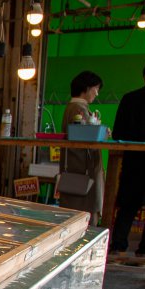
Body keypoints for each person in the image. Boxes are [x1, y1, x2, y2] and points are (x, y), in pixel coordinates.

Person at [109, 59, 145, 261]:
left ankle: (118, 249)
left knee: (128, 206)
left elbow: (117, 134)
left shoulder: (130, 99)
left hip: (135, 162)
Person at [58, 70, 104, 219]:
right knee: (84, 216)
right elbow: (85, 137)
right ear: (86, 88)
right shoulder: (78, 109)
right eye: (95, 89)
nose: (96, 93)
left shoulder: (75, 108)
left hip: (77, 171)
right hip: (82, 172)